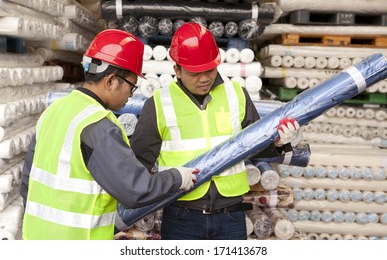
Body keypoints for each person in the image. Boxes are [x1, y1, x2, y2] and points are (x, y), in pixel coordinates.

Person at [20, 29, 198, 240]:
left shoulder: (54, 110)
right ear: (111, 81)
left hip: (35, 236)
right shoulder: (98, 125)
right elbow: (136, 189)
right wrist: (178, 177)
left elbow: (27, 182)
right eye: (131, 87)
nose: (130, 96)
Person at [130, 22, 301, 240]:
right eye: (195, 73)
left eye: (209, 69)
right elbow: (139, 163)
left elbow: (256, 150)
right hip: (182, 217)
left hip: (231, 216)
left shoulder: (236, 94)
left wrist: (278, 143)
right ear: (177, 70)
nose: (204, 78)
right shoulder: (159, 104)